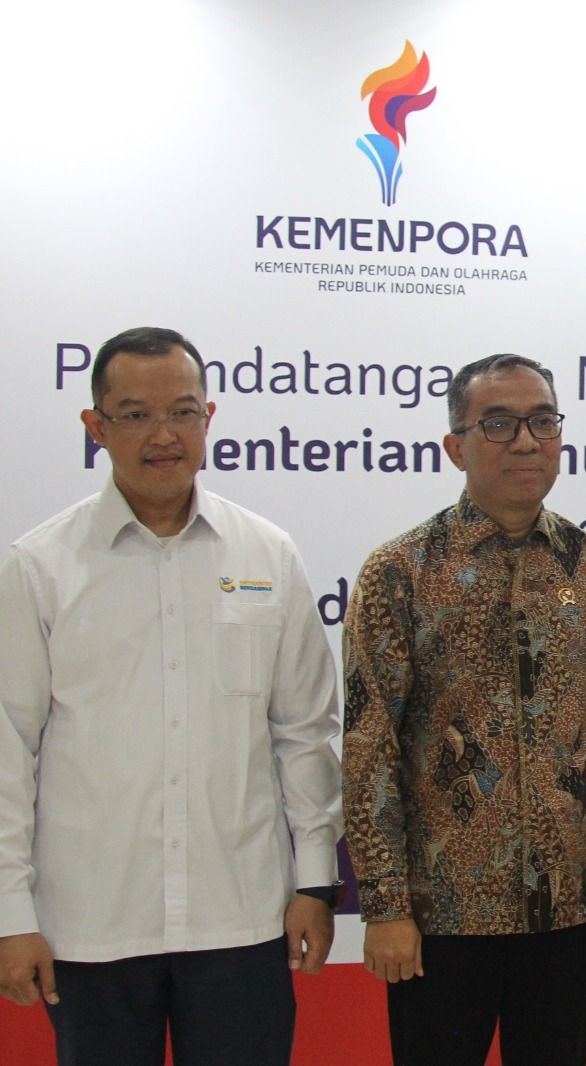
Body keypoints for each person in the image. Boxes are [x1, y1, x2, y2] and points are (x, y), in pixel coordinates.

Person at [0, 326, 342, 1066]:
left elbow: (304, 731)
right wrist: (10, 911)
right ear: (95, 427)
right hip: (90, 925)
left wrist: (316, 881)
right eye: (135, 415)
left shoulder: (267, 553)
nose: (164, 435)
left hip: (242, 919)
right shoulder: (38, 567)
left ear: (208, 418)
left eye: (183, 412)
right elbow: (8, 750)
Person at [342, 352, 586, 1066]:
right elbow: (371, 747)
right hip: (440, 916)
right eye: (499, 423)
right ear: (455, 446)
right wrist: (386, 904)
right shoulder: (401, 572)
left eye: (543, 421)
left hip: (567, 912)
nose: (526, 440)